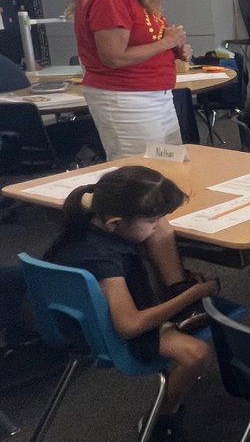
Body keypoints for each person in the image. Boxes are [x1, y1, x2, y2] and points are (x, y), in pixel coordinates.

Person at [45, 166, 219, 440]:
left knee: (160, 238)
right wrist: (193, 294)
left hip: (90, 312)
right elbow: (130, 326)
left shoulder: (88, 222)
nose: (157, 225)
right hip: (106, 331)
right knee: (195, 353)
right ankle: (161, 418)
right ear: (115, 223)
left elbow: (152, 227)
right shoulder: (104, 259)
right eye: (151, 221)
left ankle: (177, 290)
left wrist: (180, 286)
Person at [69, 0, 192, 160]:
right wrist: (166, 42)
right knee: (141, 170)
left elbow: (147, 42)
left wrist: (174, 48)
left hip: (154, 94)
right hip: (127, 98)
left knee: (172, 163)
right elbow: (114, 57)